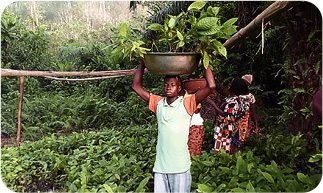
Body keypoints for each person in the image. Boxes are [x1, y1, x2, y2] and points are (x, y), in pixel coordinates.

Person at [132, 58, 215, 193]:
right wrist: (143, 62)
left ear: (179, 88)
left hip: (180, 168)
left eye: (172, 85)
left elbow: (211, 86)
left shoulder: (187, 103)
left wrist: (205, 59)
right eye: (166, 85)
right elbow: (136, 87)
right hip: (160, 168)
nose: (168, 87)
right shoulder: (158, 103)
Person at [205, 77, 252, 154]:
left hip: (225, 129)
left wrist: (211, 103)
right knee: (218, 145)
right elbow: (222, 106)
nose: (229, 84)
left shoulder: (235, 101)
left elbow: (223, 113)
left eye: (231, 83)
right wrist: (217, 97)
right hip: (221, 127)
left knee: (223, 148)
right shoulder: (231, 98)